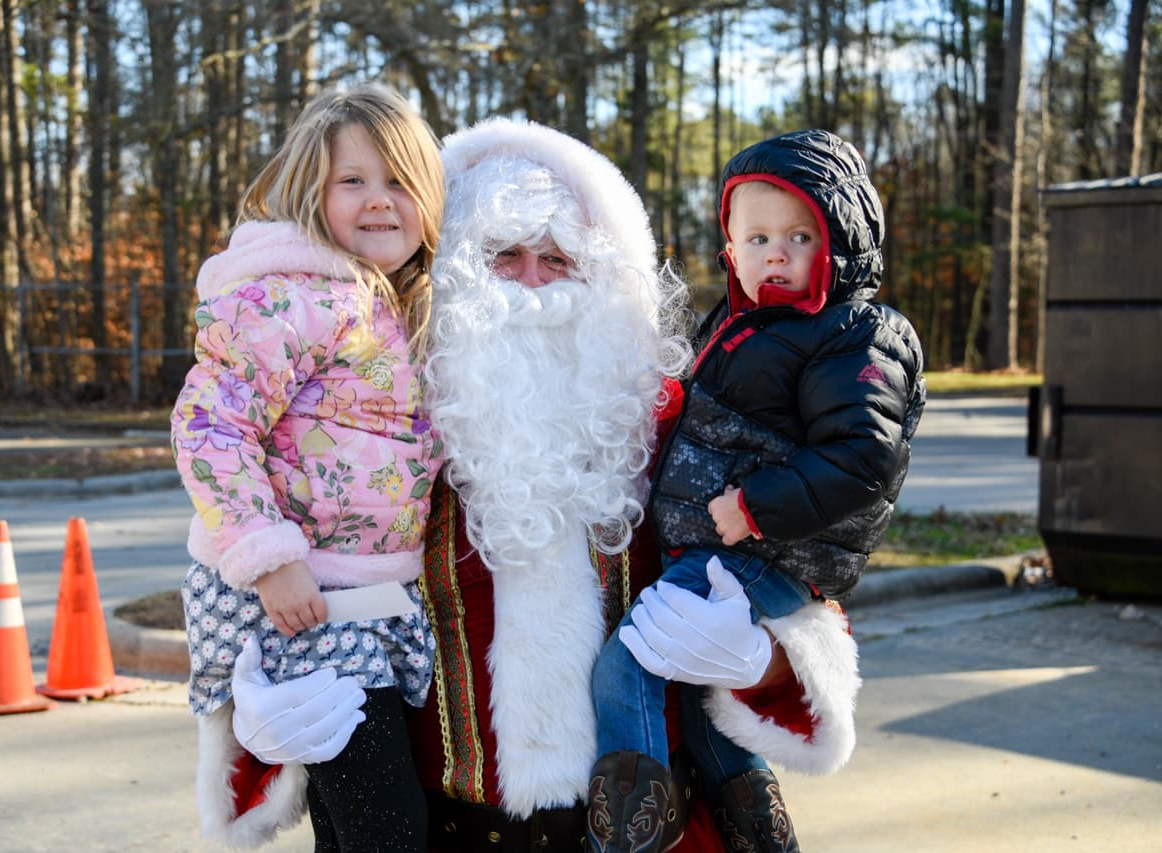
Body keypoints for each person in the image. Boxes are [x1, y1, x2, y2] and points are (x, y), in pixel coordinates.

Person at [203, 118, 868, 853]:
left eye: (558, 258)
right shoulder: (372, 429)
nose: (530, 282)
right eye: (503, 256)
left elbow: (805, 576)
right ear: (454, 267)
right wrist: (258, 711)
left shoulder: (676, 418)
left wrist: (762, 656)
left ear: (607, 277)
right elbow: (247, 559)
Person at [590, 128, 926, 853]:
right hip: (723, 547)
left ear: (843, 243)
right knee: (710, 718)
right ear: (730, 248)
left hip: (761, 550)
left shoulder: (856, 331)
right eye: (759, 235)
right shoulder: (743, 323)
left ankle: (628, 838)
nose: (777, 251)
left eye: (801, 235)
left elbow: (864, 454)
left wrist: (754, 507)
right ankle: (760, 836)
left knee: (627, 667)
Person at [170, 82, 446, 851]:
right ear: (310, 192)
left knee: (358, 824)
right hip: (299, 597)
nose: (380, 200)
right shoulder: (292, 297)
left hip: (364, 598)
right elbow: (209, 424)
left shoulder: (398, 303)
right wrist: (270, 560)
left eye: (398, 180)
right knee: (387, 830)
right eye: (352, 180)